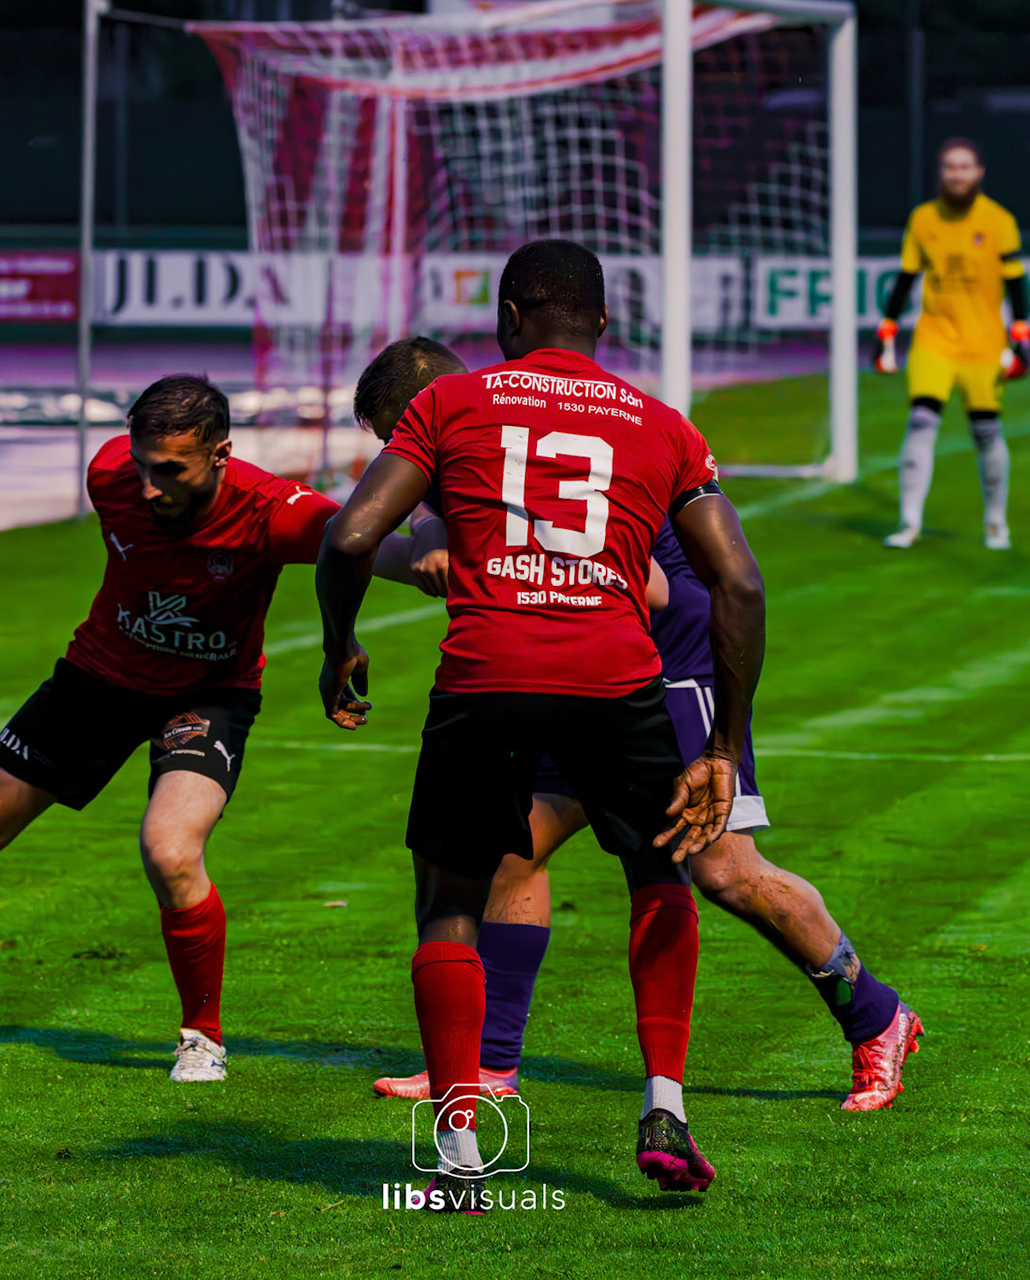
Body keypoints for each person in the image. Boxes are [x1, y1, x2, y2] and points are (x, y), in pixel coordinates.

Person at [353, 338, 924, 1113]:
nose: (399, 453)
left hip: (663, 658)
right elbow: (444, 546)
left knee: (722, 868)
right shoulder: (482, 427)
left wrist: (357, 545)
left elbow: (649, 587)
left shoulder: (481, 428)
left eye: (394, 433)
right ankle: (488, 1064)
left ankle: (877, 1015)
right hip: (574, 662)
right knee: (513, 851)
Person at [315, 240, 767, 1208]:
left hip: (489, 673)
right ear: (603, 325)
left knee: (453, 895)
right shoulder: (664, 425)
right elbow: (738, 580)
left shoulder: (449, 402)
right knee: (656, 869)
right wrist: (724, 745)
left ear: (509, 318)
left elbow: (351, 534)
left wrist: (339, 645)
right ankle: (666, 1104)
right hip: (616, 677)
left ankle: (459, 1152)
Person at [0, 375, 427, 1084]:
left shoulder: (274, 512)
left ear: (221, 453)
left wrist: (444, 555)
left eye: (171, 469)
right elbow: (133, 488)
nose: (149, 485)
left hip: (208, 697)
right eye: (144, 465)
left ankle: (202, 1038)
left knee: (170, 851)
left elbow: (375, 547)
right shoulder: (110, 472)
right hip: (97, 678)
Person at [873, 137, 1030, 551]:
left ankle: (996, 522)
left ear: (979, 173)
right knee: (921, 422)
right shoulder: (924, 219)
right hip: (934, 336)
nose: (957, 175)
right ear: (941, 173)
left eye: (964, 167)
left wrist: (1021, 335)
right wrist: (887, 328)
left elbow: (1015, 282)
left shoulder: (999, 220)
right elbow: (907, 277)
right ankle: (909, 522)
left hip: (982, 342)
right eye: (949, 167)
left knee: (985, 431)